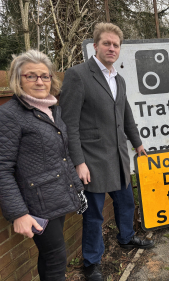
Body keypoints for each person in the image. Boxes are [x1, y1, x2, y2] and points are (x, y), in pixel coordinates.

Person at [59, 22, 154, 281]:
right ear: (95, 46)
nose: (112, 48)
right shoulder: (77, 75)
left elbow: (126, 115)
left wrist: (137, 143)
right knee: (94, 216)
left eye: (116, 45)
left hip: (119, 158)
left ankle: (126, 238)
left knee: (126, 203)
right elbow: (68, 124)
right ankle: (91, 262)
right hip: (92, 161)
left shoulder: (118, 78)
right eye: (107, 43)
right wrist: (78, 162)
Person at [0, 50, 86, 280]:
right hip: (37, 204)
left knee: (51, 257)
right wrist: (18, 213)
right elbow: (2, 168)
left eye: (45, 76)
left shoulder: (52, 109)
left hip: (58, 197)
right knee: (56, 258)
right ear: (18, 80)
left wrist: (77, 189)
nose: (40, 81)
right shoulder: (9, 115)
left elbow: (63, 155)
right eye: (31, 76)